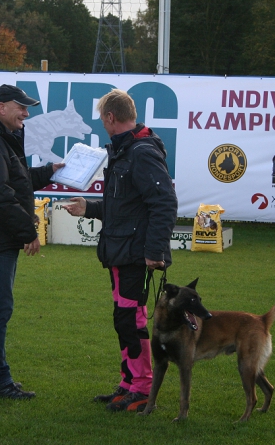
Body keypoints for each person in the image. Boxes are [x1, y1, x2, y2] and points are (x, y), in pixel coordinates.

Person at [65, 89, 178, 412]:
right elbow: (125, 206)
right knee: (124, 318)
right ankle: (129, 383)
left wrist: (154, 251)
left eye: (102, 119)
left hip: (134, 253)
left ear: (110, 117)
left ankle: (141, 388)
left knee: (131, 319)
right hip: (120, 250)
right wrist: (89, 208)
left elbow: (165, 203)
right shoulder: (127, 150)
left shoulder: (141, 152)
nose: (102, 124)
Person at [0, 84, 64, 400]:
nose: (26, 113)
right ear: (1, 108)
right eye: (21, 107)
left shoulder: (0, 139)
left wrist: (49, 171)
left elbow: (17, 179)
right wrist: (27, 231)